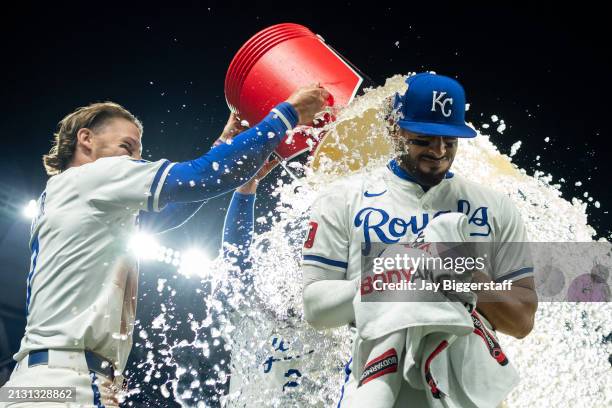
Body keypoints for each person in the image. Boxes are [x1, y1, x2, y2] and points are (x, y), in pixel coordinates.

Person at [0, 84, 328, 407]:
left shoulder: (71, 198)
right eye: (128, 148)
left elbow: (171, 211)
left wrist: (226, 145)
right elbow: (202, 178)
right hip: (64, 383)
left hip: (41, 383)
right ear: (86, 139)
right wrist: (288, 114)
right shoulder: (92, 177)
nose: (134, 161)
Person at [301, 73, 538, 406]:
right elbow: (315, 308)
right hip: (377, 387)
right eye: (424, 138)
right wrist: (394, 277)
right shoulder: (342, 199)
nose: (439, 151)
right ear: (392, 126)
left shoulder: (495, 207)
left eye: (450, 139)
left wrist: (464, 274)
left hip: (470, 395)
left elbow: (522, 319)